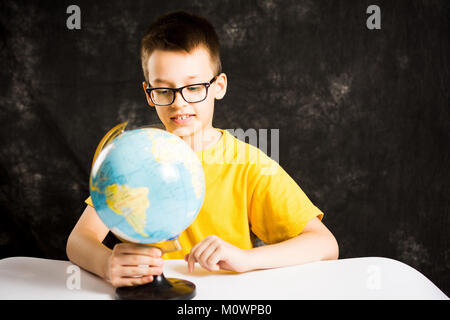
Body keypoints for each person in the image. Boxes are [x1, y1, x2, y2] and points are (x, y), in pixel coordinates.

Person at [66, 11, 339, 288]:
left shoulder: (248, 164)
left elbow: (325, 244)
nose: (179, 103)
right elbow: (79, 239)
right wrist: (105, 263)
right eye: (164, 90)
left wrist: (246, 258)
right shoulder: (133, 159)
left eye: (194, 87)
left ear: (218, 86)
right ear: (149, 94)